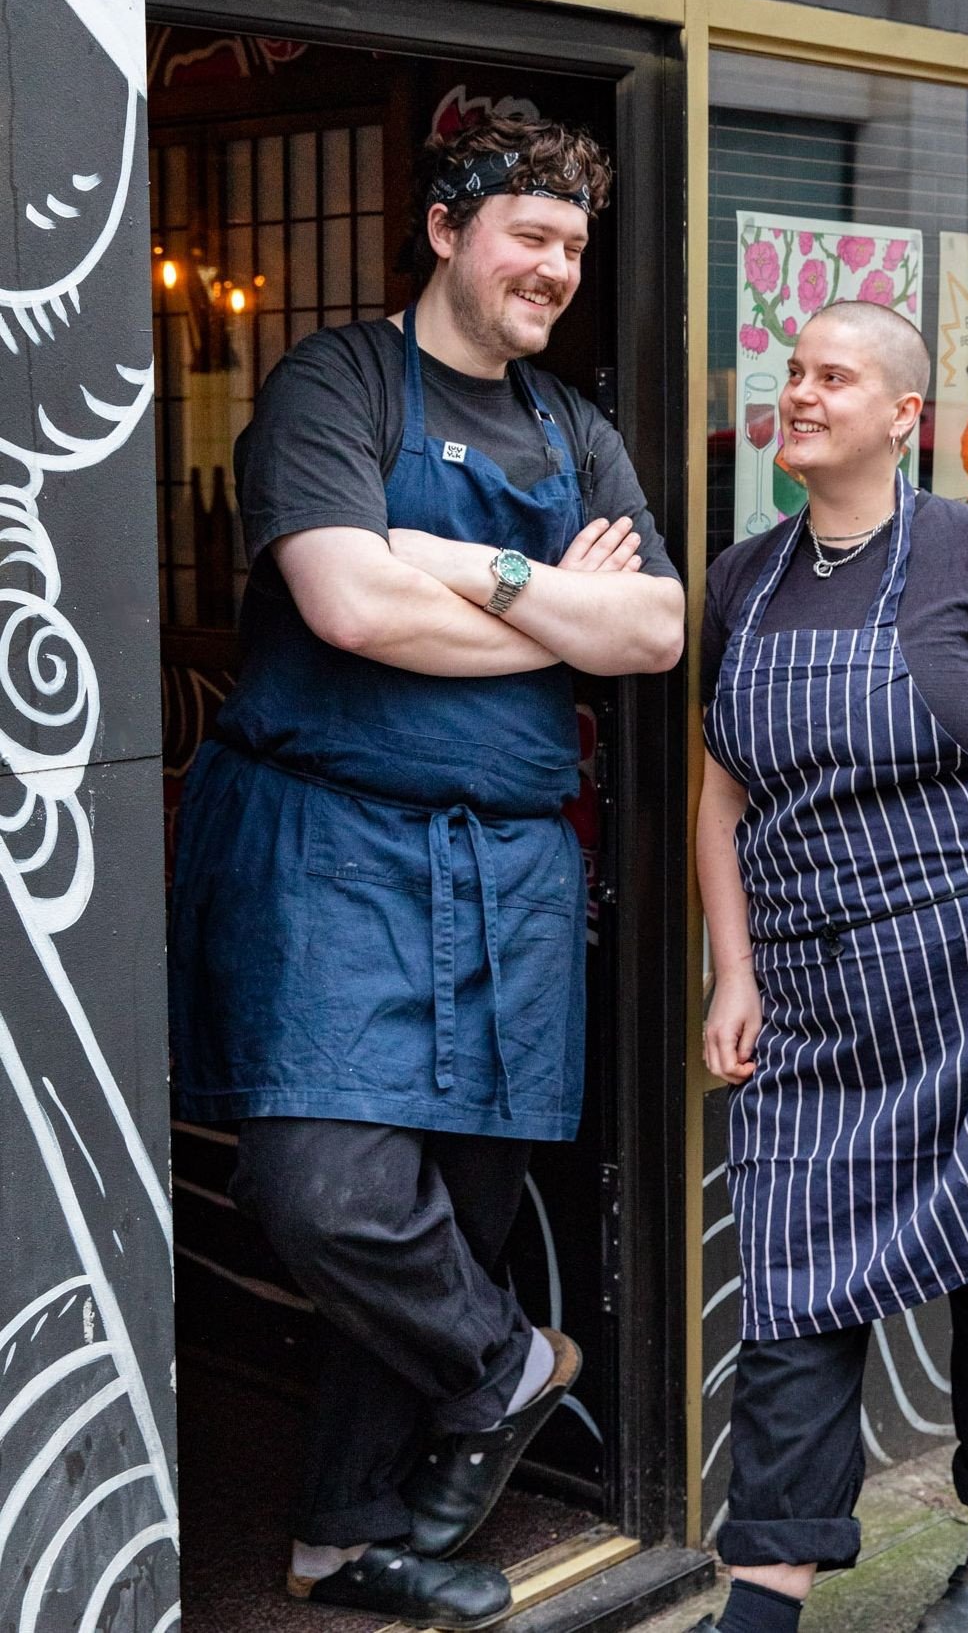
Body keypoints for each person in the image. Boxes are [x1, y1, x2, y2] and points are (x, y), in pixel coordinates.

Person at [169, 114, 684, 1629]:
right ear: (449, 230)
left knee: (455, 1210)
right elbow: (346, 605)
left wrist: (465, 566)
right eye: (531, 234)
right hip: (328, 849)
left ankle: (346, 1534)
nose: (557, 268)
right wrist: (554, 621)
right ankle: (506, 1362)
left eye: (575, 246)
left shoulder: (576, 429)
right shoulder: (334, 382)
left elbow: (656, 632)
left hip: (511, 876)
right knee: (325, 1189)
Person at [697, 300, 968, 1633]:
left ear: (904, 416)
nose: (801, 393)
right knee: (793, 1289)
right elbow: (720, 800)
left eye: (833, 376)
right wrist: (734, 969)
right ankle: (762, 1604)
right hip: (819, 997)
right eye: (793, 372)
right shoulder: (743, 580)